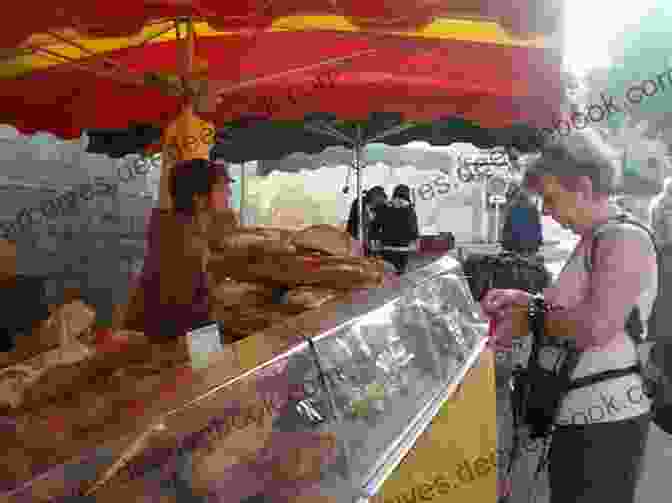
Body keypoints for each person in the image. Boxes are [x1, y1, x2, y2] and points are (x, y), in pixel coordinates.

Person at [481, 129, 656, 503]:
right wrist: (524, 298)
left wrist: (530, 314)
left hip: (606, 423)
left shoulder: (623, 239)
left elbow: (596, 325)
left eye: (550, 198)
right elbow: (572, 310)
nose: (545, 210)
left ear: (584, 186)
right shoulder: (596, 238)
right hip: (578, 416)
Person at [124, 158, 233, 339]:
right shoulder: (184, 242)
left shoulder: (183, 228)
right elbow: (191, 314)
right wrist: (210, 356)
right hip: (167, 344)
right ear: (198, 198)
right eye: (221, 188)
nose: (228, 192)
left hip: (164, 337)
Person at [370, 184, 419, 275]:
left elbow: (414, 235)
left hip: (394, 251)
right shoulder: (385, 210)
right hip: (391, 251)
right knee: (392, 276)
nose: (399, 203)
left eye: (402, 201)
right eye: (398, 200)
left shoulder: (408, 211)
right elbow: (374, 228)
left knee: (392, 276)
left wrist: (374, 241)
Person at [500, 184, 543, 255]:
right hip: (531, 243)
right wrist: (539, 241)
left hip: (515, 243)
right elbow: (537, 226)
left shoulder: (512, 208)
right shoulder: (532, 208)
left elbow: (507, 227)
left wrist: (505, 243)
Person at [346, 186, 387, 253]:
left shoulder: (381, 208)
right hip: (355, 240)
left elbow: (377, 227)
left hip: (368, 244)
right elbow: (354, 224)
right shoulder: (359, 203)